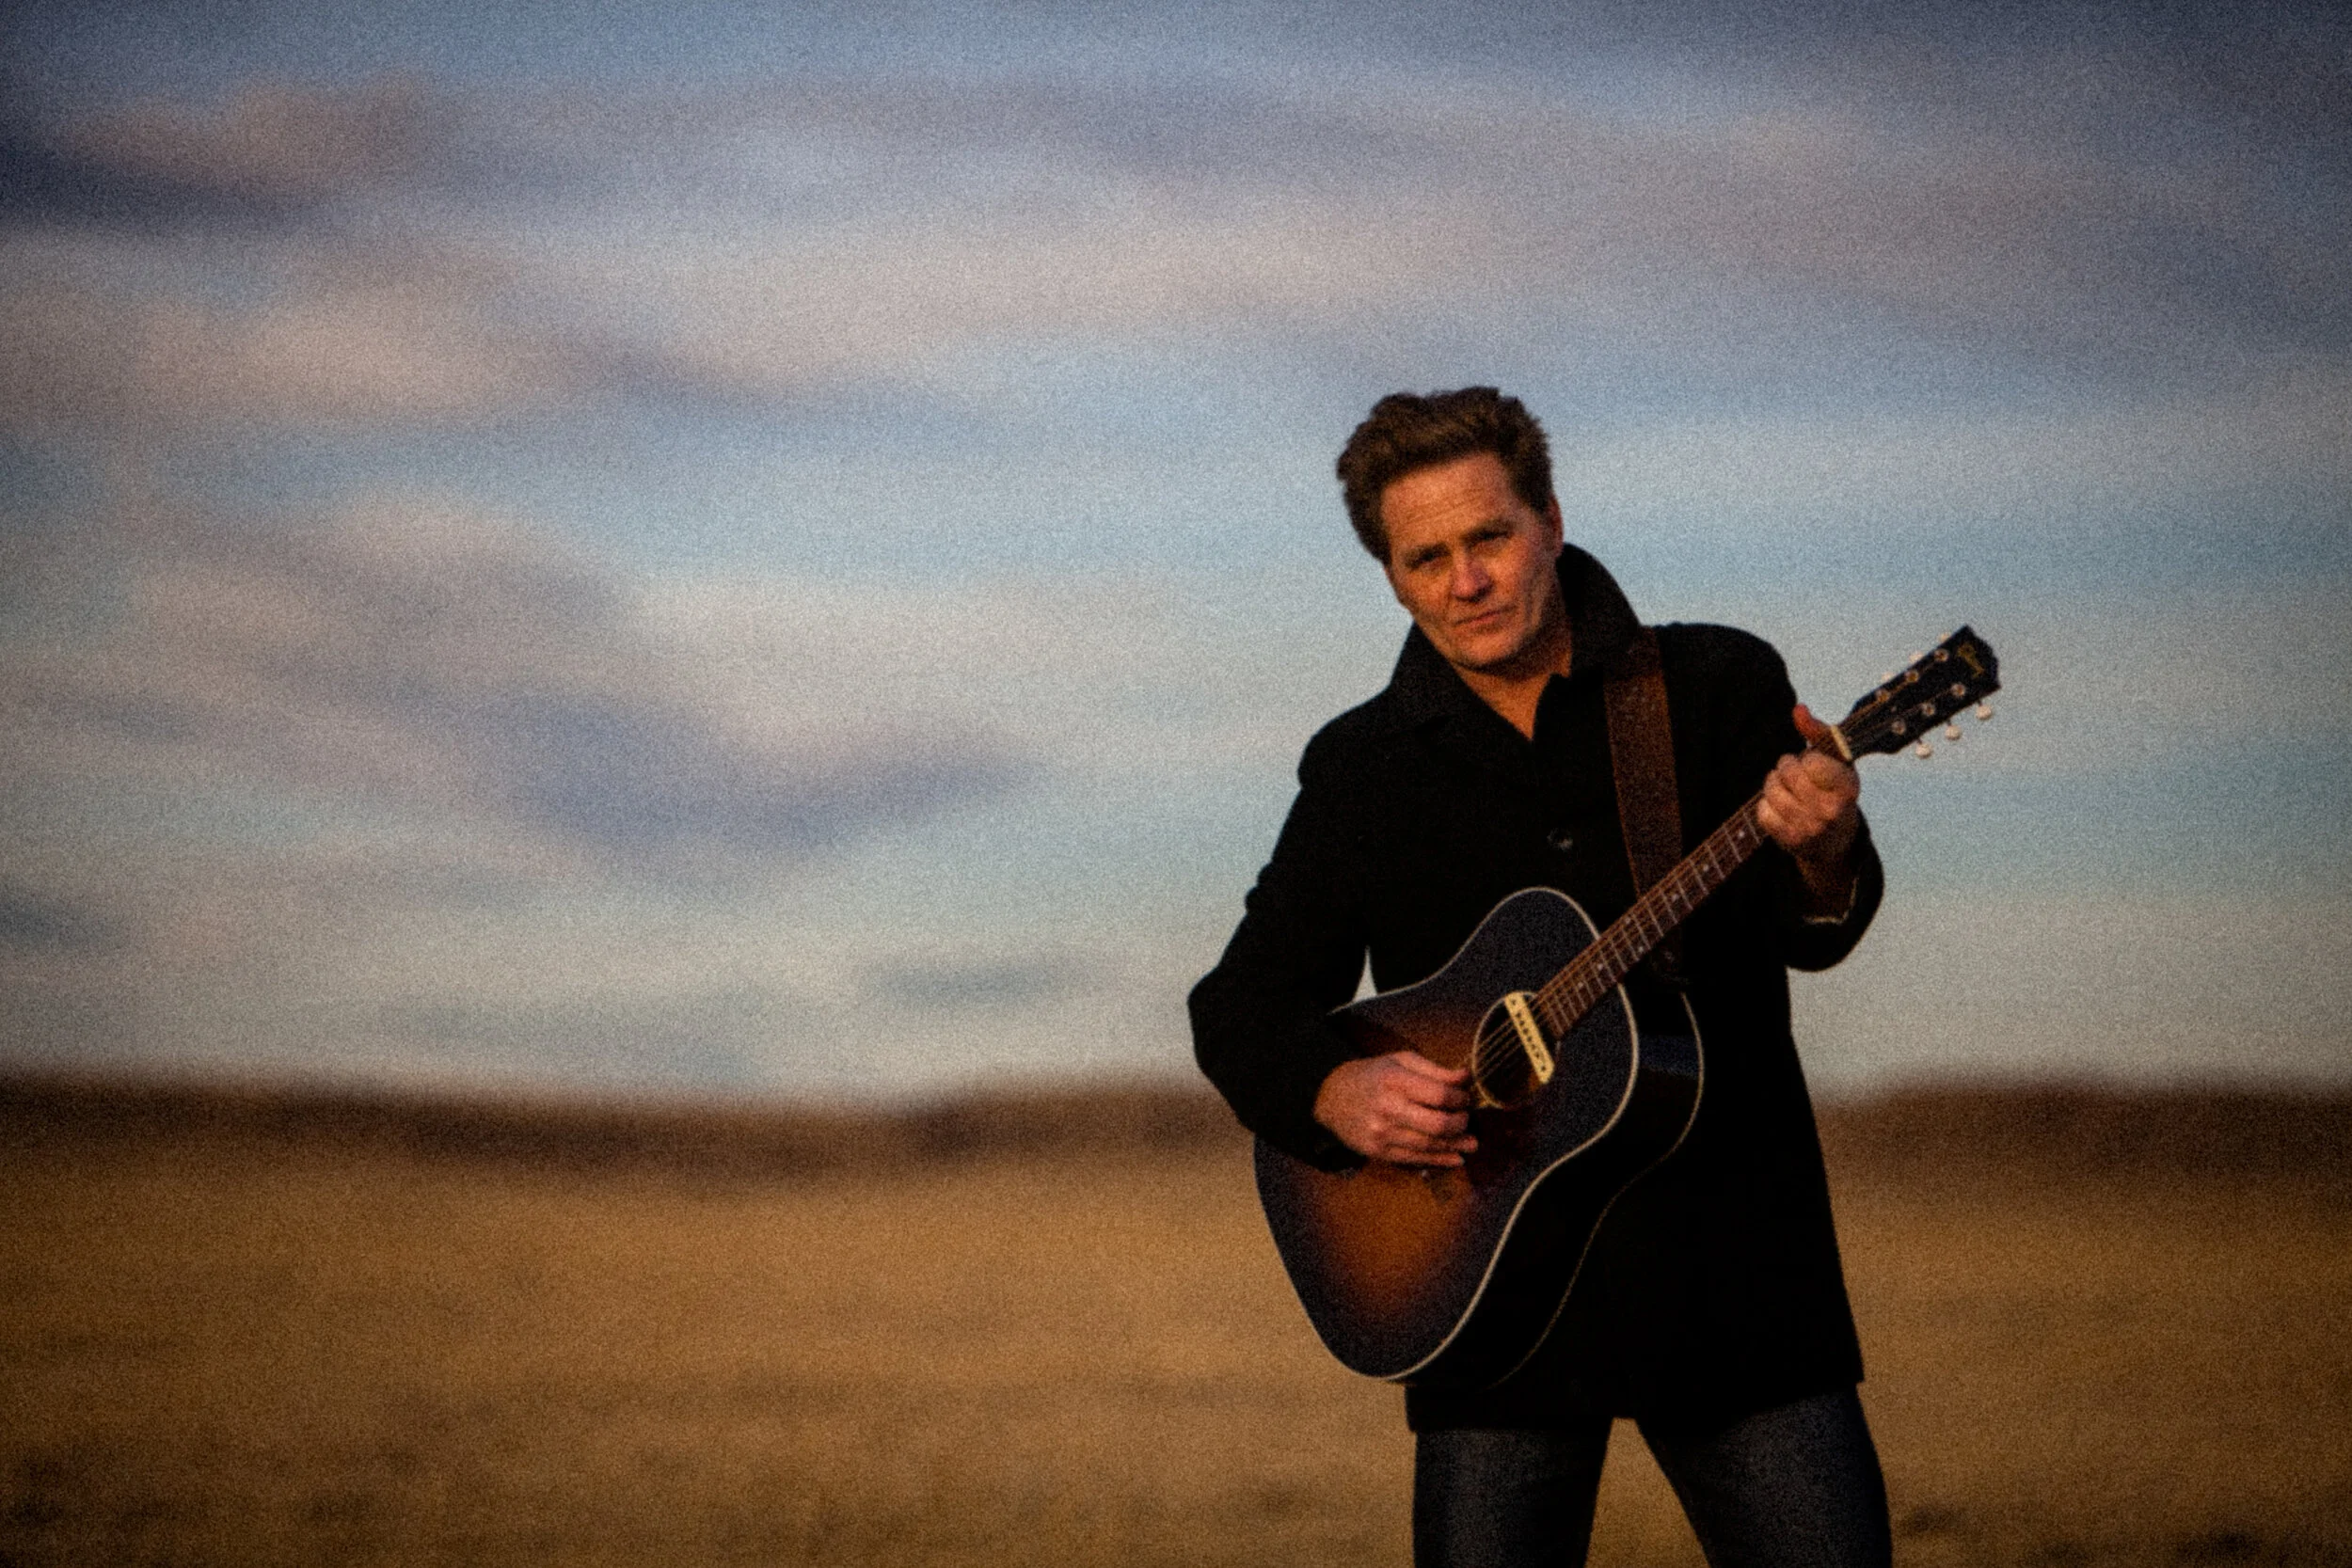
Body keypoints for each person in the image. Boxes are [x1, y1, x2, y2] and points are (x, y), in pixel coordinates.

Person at [1188, 388, 1894, 1568]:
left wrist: (1824, 848)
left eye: (1490, 537)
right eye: (1426, 557)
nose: (1465, 580)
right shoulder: (1363, 767)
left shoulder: (1712, 684)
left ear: (1551, 521)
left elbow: (1810, 926)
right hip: (1483, 1303)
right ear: (1392, 578)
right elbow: (1240, 1005)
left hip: (1731, 1275)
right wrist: (1332, 1089)